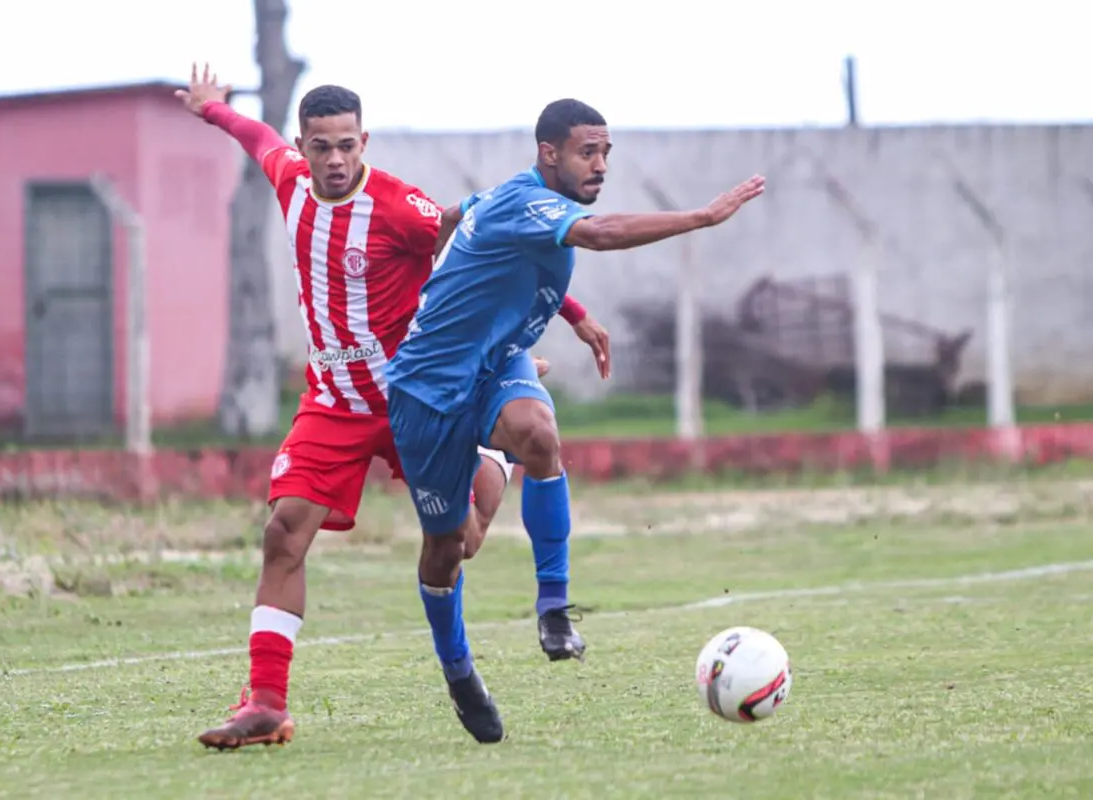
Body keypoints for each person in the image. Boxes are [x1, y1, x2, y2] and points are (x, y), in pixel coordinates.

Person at [174, 65, 611, 750]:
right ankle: (264, 702)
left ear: (364, 140)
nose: (337, 159)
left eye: (348, 144)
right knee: (284, 532)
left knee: (458, 543)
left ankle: (493, 447)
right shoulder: (288, 179)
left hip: (419, 391)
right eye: (322, 146)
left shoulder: (401, 208)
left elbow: (482, 247)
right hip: (336, 401)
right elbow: (253, 135)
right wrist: (211, 110)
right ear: (305, 146)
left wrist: (573, 310)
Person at [385, 98, 765, 743]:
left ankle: (554, 610)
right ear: (548, 153)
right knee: (454, 548)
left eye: (606, 152)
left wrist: (576, 312)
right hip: (426, 390)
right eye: (588, 152)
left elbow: (517, 257)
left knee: (540, 431)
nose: (600, 165)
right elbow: (598, 233)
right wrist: (702, 217)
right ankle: (458, 670)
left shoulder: (520, 206)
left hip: (499, 365)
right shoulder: (520, 200)